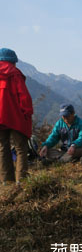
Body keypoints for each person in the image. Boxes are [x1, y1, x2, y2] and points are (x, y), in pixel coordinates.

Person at [0, 47, 33, 185]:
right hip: (16, 117)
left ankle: (6, 181)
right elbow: (24, 96)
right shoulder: (14, 73)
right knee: (20, 149)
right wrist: (28, 112)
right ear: (13, 61)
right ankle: (22, 181)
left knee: (3, 147)